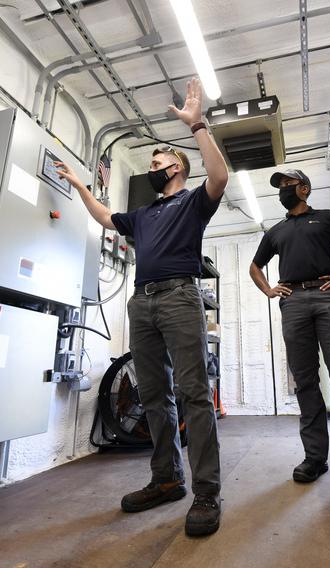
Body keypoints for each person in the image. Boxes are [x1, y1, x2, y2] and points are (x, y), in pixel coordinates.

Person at [55, 77, 229, 536]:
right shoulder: (145, 213)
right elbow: (107, 217)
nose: (152, 166)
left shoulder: (193, 203)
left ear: (177, 167)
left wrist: (198, 126)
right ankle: (167, 478)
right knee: (154, 394)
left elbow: (220, 176)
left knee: (193, 393)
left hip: (179, 297)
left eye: (158, 160)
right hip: (143, 302)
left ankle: (206, 491)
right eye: (151, 161)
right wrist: (79, 186)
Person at [248, 169, 330, 493]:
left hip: (328, 297)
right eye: (280, 187)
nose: (283, 191)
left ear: (304, 189)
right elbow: (255, 266)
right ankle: (315, 458)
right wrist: (268, 289)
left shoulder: (329, 219)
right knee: (305, 382)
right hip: (292, 302)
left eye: (287, 185)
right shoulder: (276, 231)